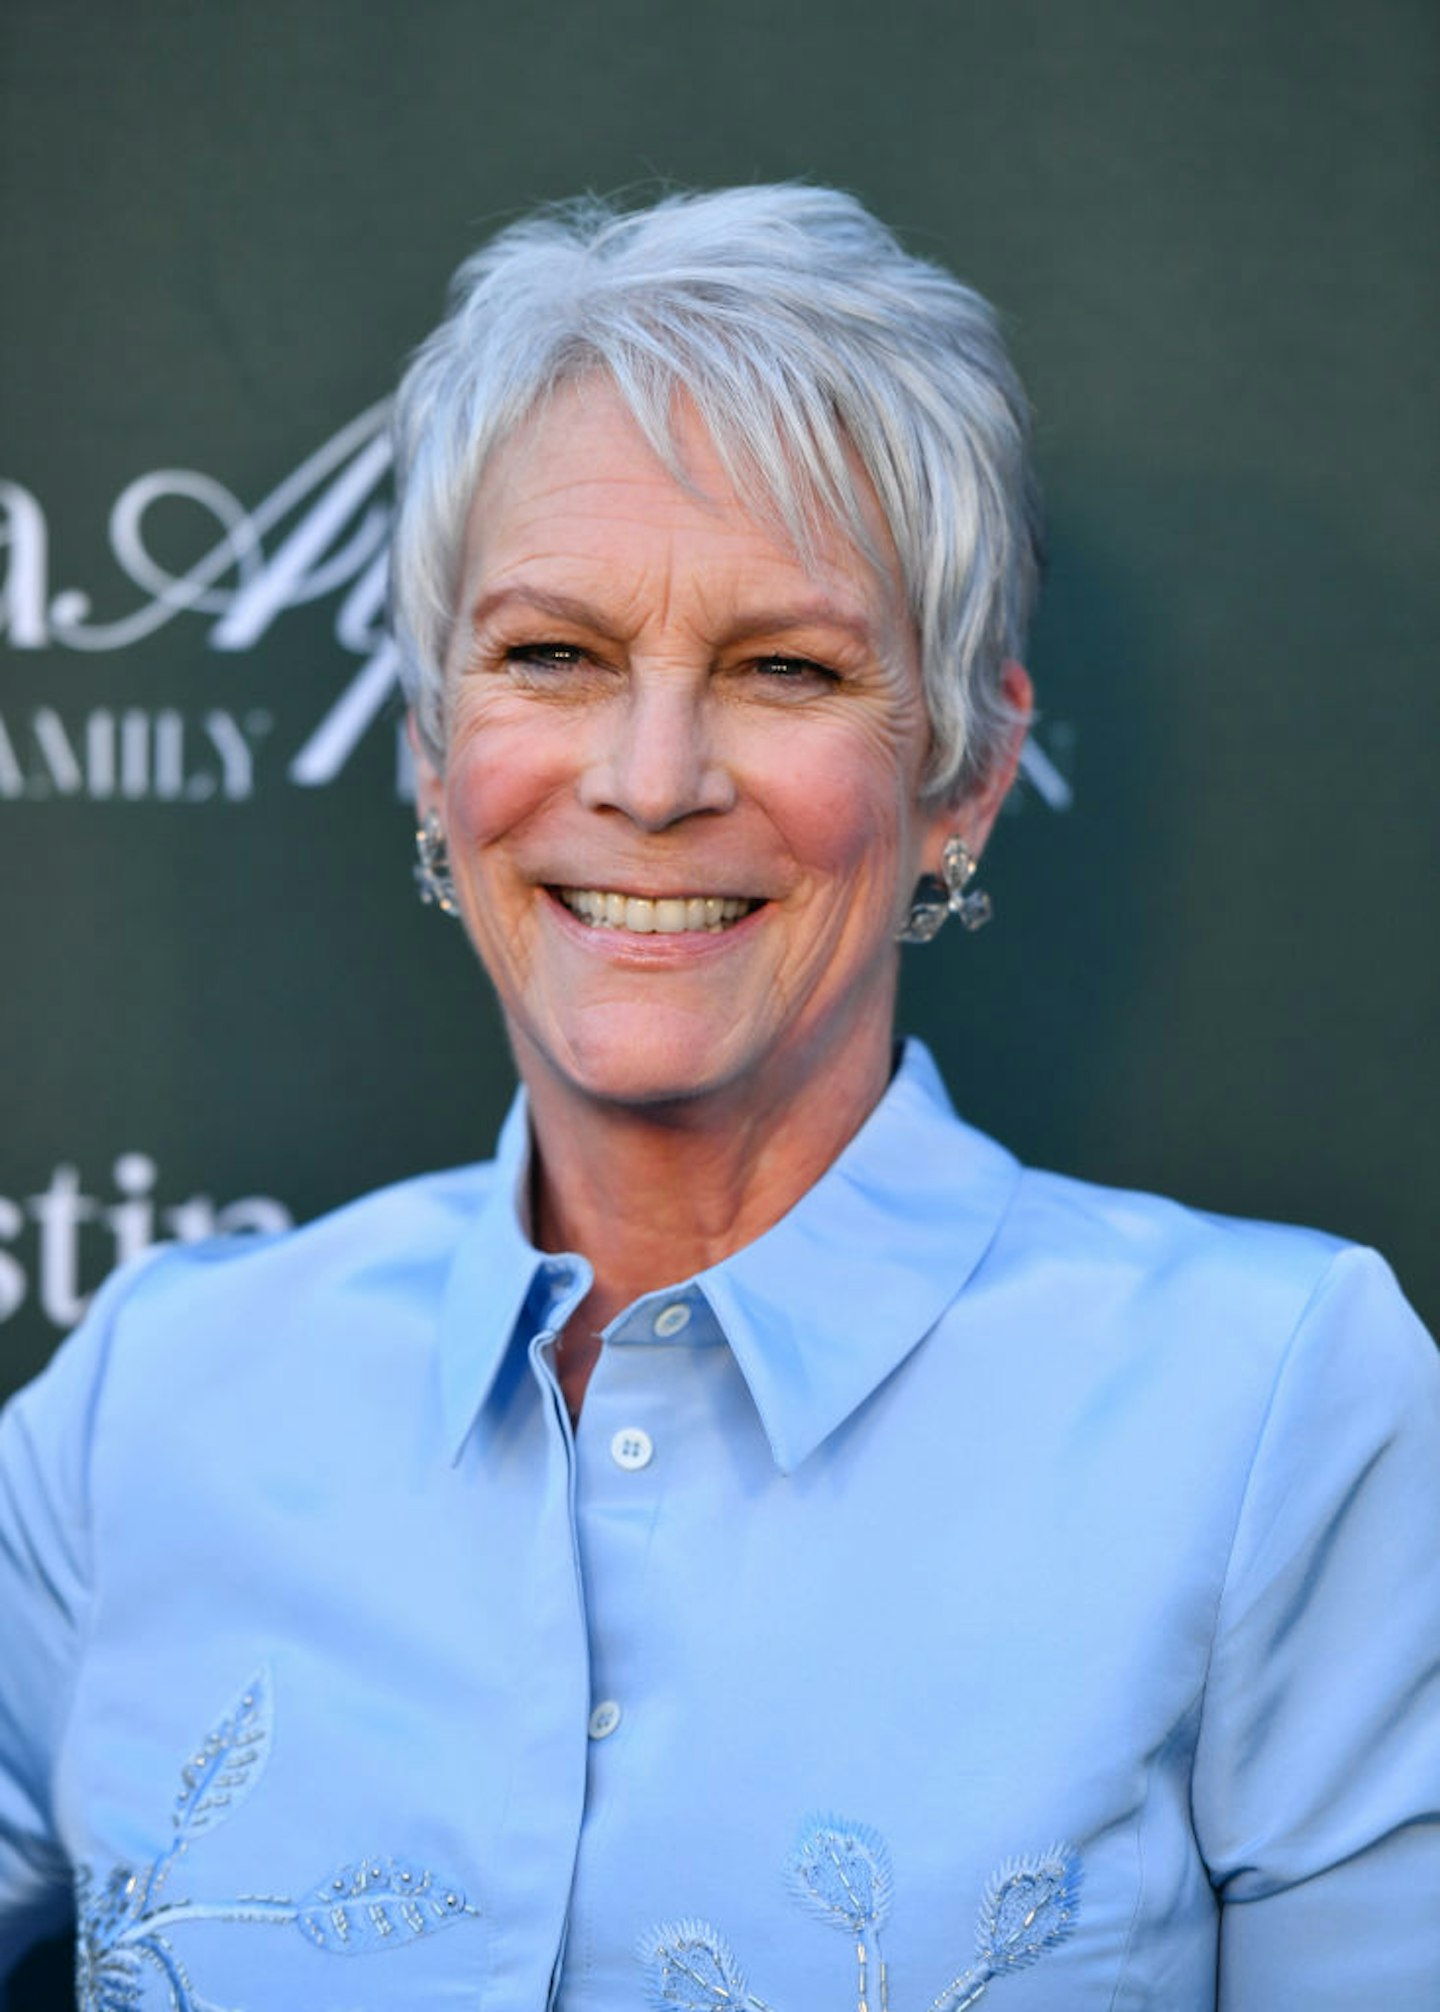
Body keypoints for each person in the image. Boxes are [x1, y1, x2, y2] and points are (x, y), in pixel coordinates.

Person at [2, 185, 1437, 2012]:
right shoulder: (149, 1410)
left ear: (970, 773)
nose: (654, 775)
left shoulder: (1275, 1410)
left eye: (786, 667)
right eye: (552, 655)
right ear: (436, 753)